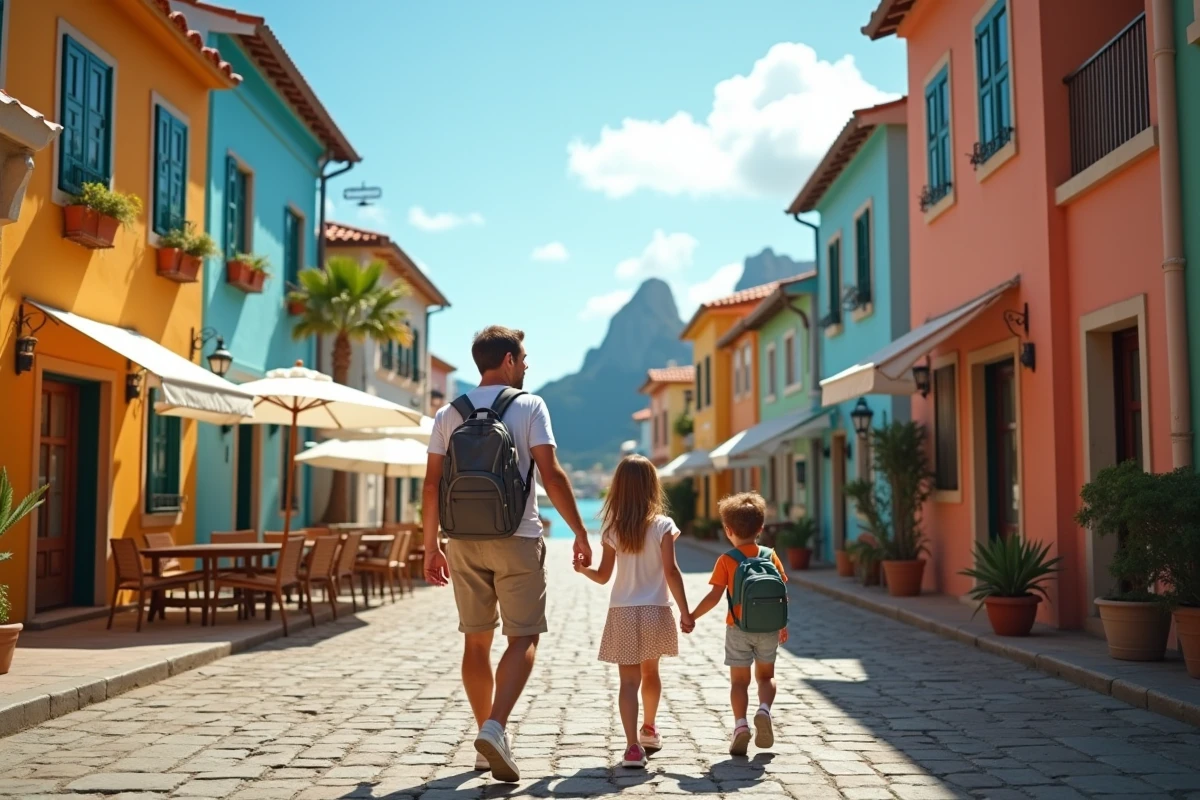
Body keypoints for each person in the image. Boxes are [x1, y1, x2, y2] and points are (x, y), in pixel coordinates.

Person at [422, 325, 592, 783]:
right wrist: (579, 531)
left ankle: (484, 738)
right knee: (524, 638)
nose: (528, 365)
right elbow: (552, 475)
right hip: (517, 537)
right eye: (524, 358)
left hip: (461, 540)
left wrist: (429, 545)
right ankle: (496, 728)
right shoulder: (530, 405)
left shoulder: (447, 413)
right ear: (510, 360)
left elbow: (432, 484)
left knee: (475, 640)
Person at [574, 455, 693, 769]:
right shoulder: (664, 525)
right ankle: (649, 729)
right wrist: (685, 611)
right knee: (651, 673)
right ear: (652, 486)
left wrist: (583, 570)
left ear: (618, 489)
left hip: (623, 613)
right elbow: (672, 571)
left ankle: (631, 748)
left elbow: (602, 576)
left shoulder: (613, 529)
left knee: (628, 682)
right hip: (655, 610)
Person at [689, 492, 788, 756]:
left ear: (728, 530)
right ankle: (764, 710)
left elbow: (713, 596)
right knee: (766, 676)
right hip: (768, 628)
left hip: (737, 629)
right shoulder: (770, 556)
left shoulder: (727, 560)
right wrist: (782, 624)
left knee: (739, 683)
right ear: (760, 529)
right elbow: (781, 593)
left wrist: (691, 616)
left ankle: (741, 725)